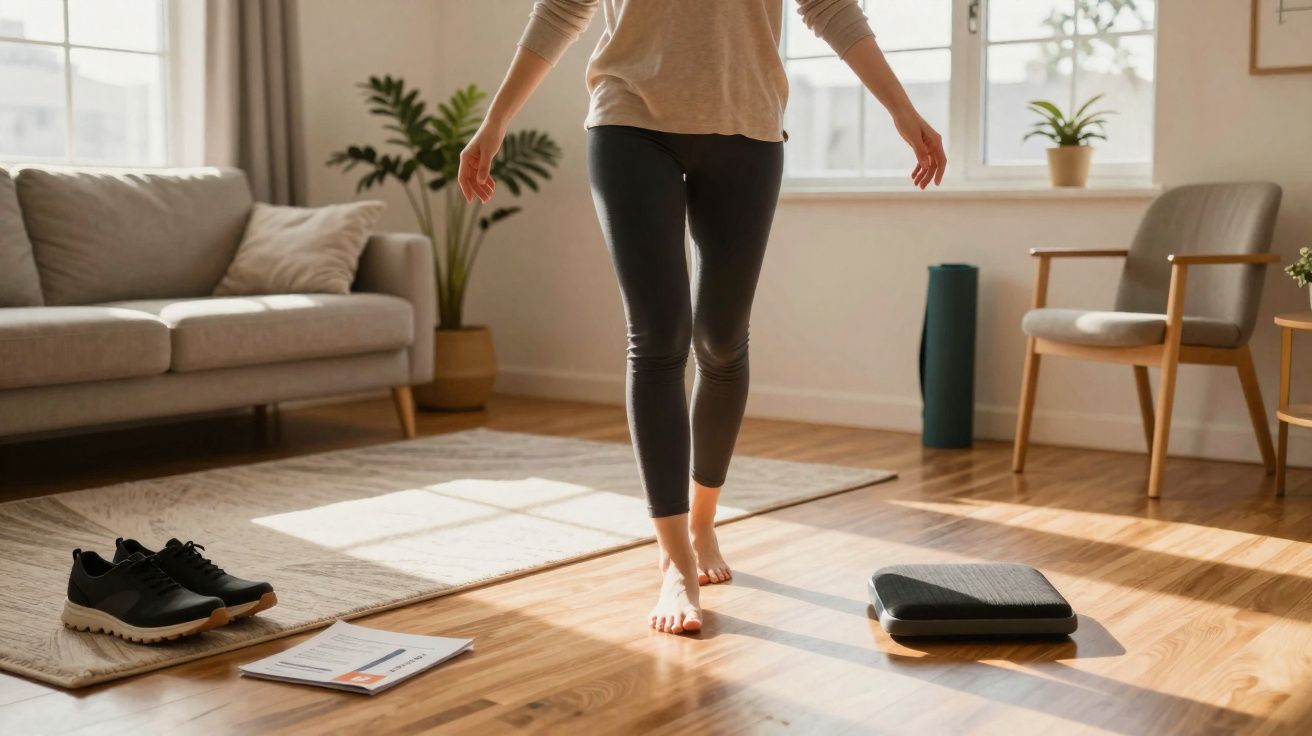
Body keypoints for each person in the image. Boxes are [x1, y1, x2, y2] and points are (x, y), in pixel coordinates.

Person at [456, 0, 946, 636]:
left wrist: (901, 110)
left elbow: (829, 7)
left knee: (720, 340)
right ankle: (676, 562)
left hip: (746, 125)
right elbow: (559, 10)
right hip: (629, 123)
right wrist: (495, 123)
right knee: (659, 336)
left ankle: (703, 519)